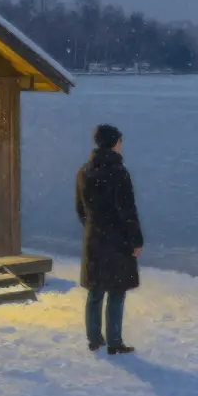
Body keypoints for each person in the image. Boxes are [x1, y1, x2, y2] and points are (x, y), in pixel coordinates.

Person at [76, 124, 144, 355]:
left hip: (94, 238)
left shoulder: (84, 171)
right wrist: (136, 240)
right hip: (117, 240)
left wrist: (93, 227)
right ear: (115, 143)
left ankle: (94, 339)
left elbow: (80, 209)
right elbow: (128, 211)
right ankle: (114, 341)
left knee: (95, 291)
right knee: (116, 290)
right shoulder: (119, 173)